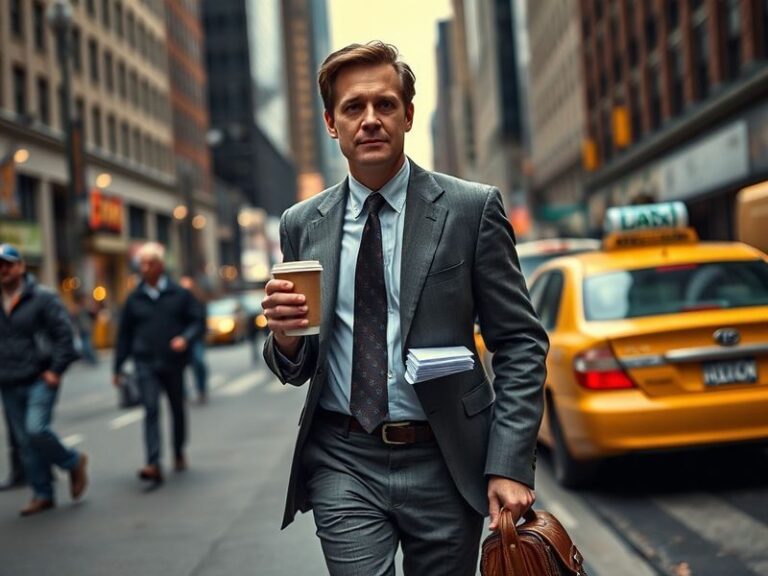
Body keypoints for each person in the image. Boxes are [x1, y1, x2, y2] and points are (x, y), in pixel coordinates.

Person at [262, 42, 548, 574]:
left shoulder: (469, 209)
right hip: (342, 458)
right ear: (331, 122)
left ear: (408, 114)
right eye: (353, 107)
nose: (370, 120)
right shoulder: (302, 224)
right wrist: (283, 337)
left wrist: (509, 465)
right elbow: (295, 364)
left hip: (445, 460)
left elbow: (520, 342)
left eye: (385, 104)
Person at [0, 243, 88, 516]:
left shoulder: (43, 297)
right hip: (8, 380)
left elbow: (65, 337)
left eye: (8, 264)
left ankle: (73, 461)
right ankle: (42, 493)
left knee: (36, 429)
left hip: (40, 377)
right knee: (25, 442)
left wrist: (56, 370)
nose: (3, 269)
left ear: (21, 266)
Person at [113, 243, 202, 483]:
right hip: (145, 362)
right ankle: (153, 462)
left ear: (160, 266)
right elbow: (124, 335)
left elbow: (198, 321)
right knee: (150, 409)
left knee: (176, 408)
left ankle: (178, 450)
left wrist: (185, 338)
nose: (144, 268)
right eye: (141, 264)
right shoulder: (134, 299)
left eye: (149, 264)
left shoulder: (179, 294)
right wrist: (117, 367)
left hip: (173, 362)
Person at [179, 275, 209, 404]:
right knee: (179, 367)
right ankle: (183, 393)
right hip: (180, 339)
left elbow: (201, 321)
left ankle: (201, 389)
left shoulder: (198, 301)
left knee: (198, 362)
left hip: (195, 338)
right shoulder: (177, 301)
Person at [71, 291, 98, 364]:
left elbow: (93, 314)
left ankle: (91, 358)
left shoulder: (84, 306)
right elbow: (73, 317)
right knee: (86, 344)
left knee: (87, 343)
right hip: (83, 328)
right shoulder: (77, 307)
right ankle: (90, 358)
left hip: (86, 327)